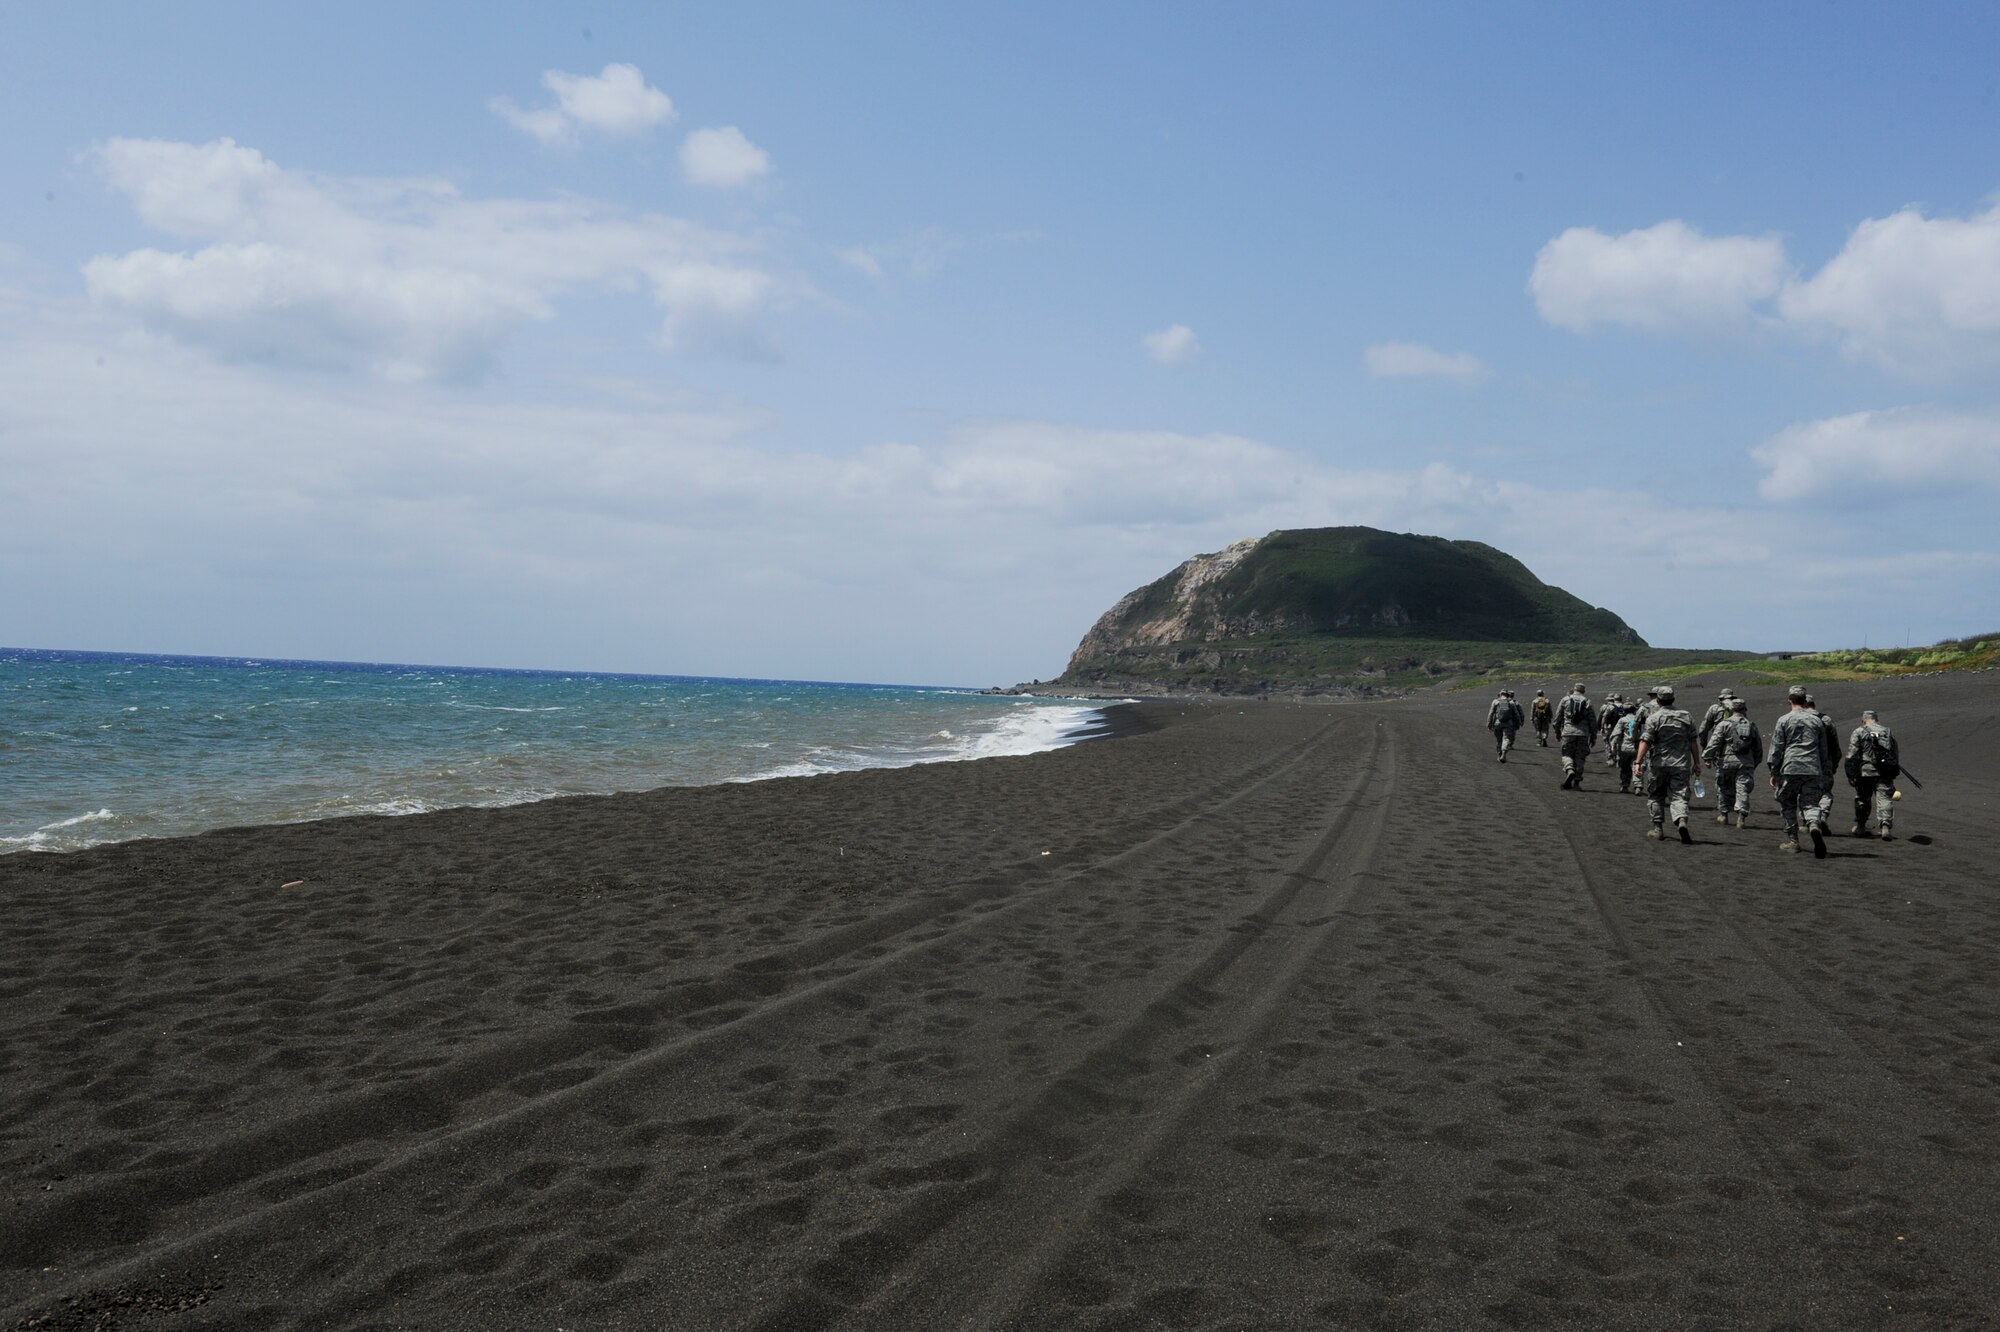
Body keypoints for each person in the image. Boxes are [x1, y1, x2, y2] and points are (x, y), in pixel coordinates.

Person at [1769, 685, 1832, 857]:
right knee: (1810, 803)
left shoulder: (1784, 720)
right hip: (1813, 767)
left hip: (1791, 766)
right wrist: (1826, 772)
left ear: (1789, 700)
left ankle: (1793, 840)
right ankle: (1813, 825)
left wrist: (1774, 772)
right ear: (1805, 701)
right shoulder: (1817, 721)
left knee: (1788, 801)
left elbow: (1776, 749)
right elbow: (1824, 750)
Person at [1633, 685, 1702, 841]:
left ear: (1658, 700)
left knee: (1656, 796)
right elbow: (1693, 742)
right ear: (1673, 699)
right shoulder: (1686, 716)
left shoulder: (1654, 718)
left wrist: (1638, 762)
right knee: (1679, 795)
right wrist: (1697, 763)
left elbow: (1646, 741)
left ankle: (1658, 828)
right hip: (1681, 763)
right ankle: (1681, 819)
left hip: (1659, 763)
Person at [1702, 697, 1763, 827]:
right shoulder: (1751, 725)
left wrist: (1707, 757)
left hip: (1726, 761)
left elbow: (1715, 742)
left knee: (1723, 787)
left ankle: (1724, 815)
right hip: (1746, 762)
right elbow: (1758, 748)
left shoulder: (1724, 724)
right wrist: (1754, 763)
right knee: (1743, 789)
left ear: (1732, 710)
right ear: (1744, 709)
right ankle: (1741, 817)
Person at [1845, 709, 1901, 840]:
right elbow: (1894, 752)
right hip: (1884, 771)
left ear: (1864, 720)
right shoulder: (1887, 731)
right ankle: (1885, 826)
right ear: (1876, 719)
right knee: (1884, 798)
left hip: (1865, 771)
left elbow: (1852, 753)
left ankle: (1860, 826)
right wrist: (1893, 770)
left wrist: (1850, 772)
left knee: (1862, 798)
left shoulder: (1859, 731)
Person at [1698, 688, 1737, 819]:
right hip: (1738, 749)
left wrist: (1704, 745)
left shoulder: (1714, 709)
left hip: (1719, 747)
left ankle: (1723, 807)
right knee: (1737, 777)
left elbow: (1703, 729)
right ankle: (1734, 803)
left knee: (1721, 775)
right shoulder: (1739, 708)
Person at [1555, 682, 1596, 789]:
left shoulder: (1565, 700)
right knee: (1580, 757)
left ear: (1574, 689)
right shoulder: (1587, 702)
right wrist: (1593, 736)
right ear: (1583, 691)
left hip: (1568, 732)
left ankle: (1569, 769)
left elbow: (1558, 717)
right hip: (1583, 734)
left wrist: (1557, 732)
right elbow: (1592, 721)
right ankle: (1577, 782)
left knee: (1566, 754)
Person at [1610, 698, 1642, 793]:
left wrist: (1613, 745)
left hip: (1625, 747)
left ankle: (1624, 785)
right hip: (1637, 746)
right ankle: (1638, 785)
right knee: (1636, 765)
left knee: (1625, 767)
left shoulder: (1623, 720)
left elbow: (1617, 733)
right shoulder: (1639, 719)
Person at [1486, 689, 1524, 762]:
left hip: (1497, 723)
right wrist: (1518, 723)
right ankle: (1504, 753)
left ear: (1500, 694)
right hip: (1508, 724)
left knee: (1499, 740)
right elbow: (1516, 714)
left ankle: (1499, 754)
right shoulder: (1511, 703)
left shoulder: (1495, 702)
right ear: (1507, 695)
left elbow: (1491, 714)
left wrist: (1489, 724)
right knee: (1506, 739)